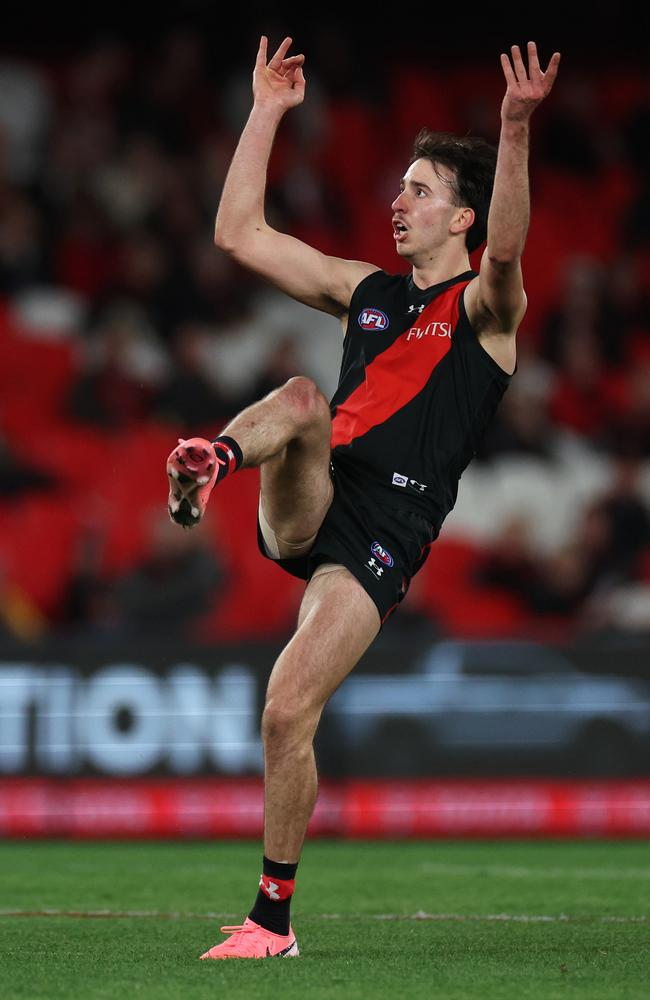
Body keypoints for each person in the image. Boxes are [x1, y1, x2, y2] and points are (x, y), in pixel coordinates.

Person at [166, 35, 560, 959]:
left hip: (387, 532)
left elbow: (507, 251)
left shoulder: (485, 315)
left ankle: (271, 924)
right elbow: (238, 236)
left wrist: (512, 129)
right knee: (304, 400)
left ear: (460, 219)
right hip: (316, 492)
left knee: (284, 710)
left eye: (420, 190)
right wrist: (266, 108)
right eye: (401, 186)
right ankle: (213, 462)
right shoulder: (366, 294)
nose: (398, 201)